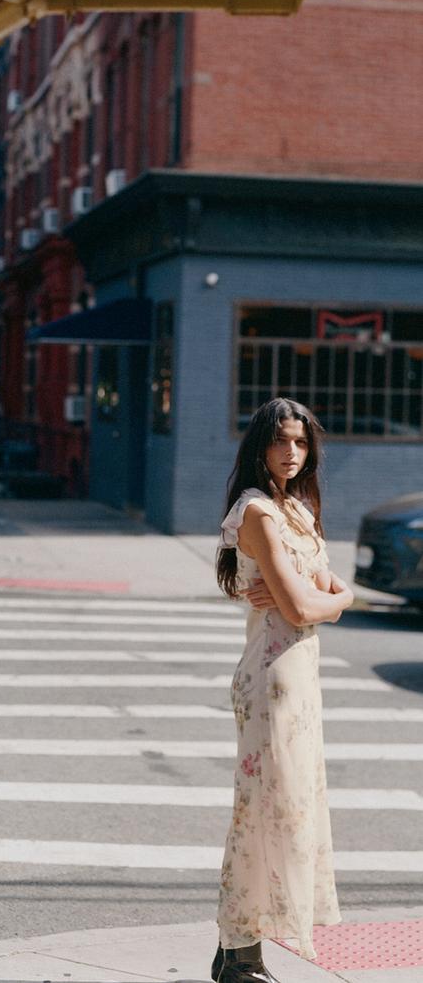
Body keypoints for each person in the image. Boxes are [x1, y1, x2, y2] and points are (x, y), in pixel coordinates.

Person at [210, 398, 354, 983]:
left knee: (291, 811)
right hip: (271, 679)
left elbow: (330, 591)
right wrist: (324, 601)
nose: (291, 452)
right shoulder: (257, 513)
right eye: (280, 441)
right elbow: (298, 607)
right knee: (263, 811)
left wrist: (336, 600)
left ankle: (234, 947)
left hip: (301, 680)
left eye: (300, 442)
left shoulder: (297, 509)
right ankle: (240, 953)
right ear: (259, 447)